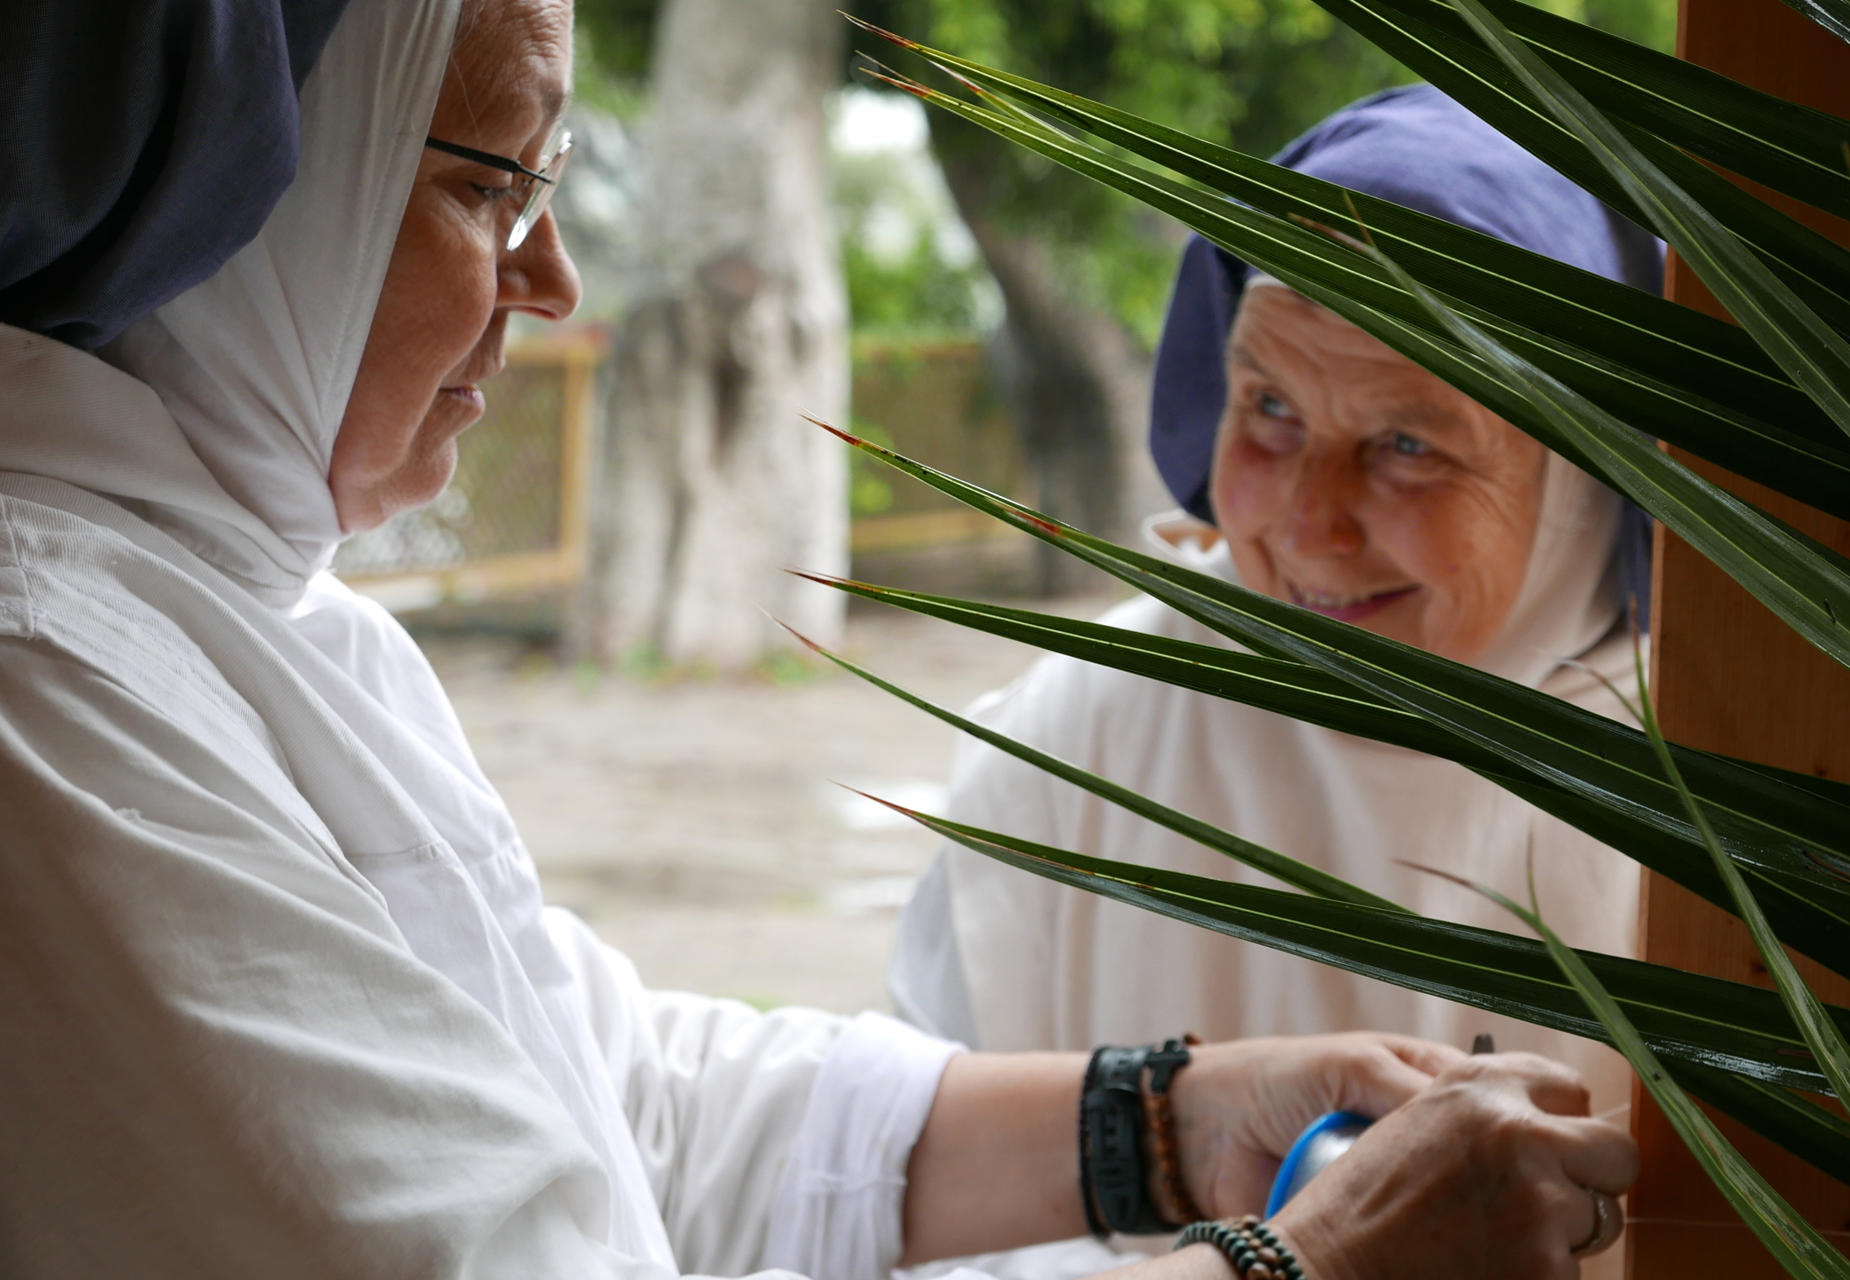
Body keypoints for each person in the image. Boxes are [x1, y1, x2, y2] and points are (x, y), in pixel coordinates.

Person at [0, 7, 1632, 1278]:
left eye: (1414, 444)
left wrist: (1177, 1119)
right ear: (253, 191)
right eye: (491, 183)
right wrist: (1312, 1258)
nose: (556, 282)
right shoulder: (53, 691)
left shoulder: (253, 629)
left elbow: (625, 1109)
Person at [890, 82, 1662, 1210]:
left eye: (1406, 442)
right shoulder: (1080, 738)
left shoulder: (1706, 790)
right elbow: (903, 1185)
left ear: (1586, 479)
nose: (1306, 525)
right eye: (1270, 410)